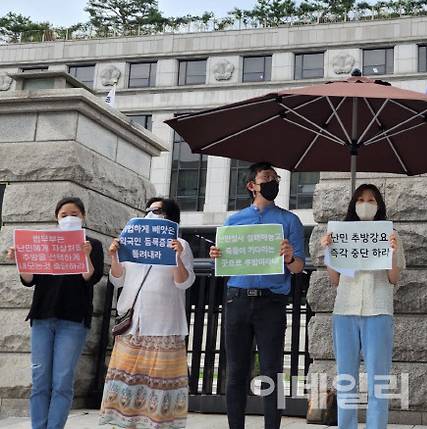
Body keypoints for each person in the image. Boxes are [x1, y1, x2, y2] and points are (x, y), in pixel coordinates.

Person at [209, 162, 305, 429]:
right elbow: (225, 264)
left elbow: (298, 268)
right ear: (252, 186)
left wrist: (289, 256)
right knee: (236, 371)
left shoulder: (289, 221)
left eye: (276, 178)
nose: (273, 181)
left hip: (271, 302)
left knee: (272, 370)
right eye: (267, 178)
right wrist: (217, 255)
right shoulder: (233, 221)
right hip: (237, 299)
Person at [6, 197, 104, 429]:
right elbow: (29, 280)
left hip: (73, 319)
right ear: (56, 218)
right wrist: (21, 260)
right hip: (42, 317)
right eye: (64, 214)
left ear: (83, 217)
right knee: (40, 380)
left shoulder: (92, 244)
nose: (69, 218)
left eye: (74, 214)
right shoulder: (44, 242)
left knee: (62, 381)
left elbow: (91, 277)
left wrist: (85, 255)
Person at [99, 197, 195, 429]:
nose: (152, 213)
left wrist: (177, 257)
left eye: (158, 210)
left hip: (164, 327)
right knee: (127, 386)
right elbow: (117, 278)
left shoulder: (179, 243)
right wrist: (114, 256)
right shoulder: (132, 241)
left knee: (159, 389)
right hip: (133, 327)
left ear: (170, 217)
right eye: (149, 210)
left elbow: (185, 282)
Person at [320, 183, 405, 429]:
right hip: (345, 310)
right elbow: (335, 280)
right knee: (346, 379)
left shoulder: (391, 234)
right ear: (353, 204)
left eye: (371, 200)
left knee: (379, 380)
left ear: (379, 206)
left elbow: (394, 278)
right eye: (360, 199)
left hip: (378, 310)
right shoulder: (341, 234)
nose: (365, 204)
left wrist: (391, 251)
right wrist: (329, 252)